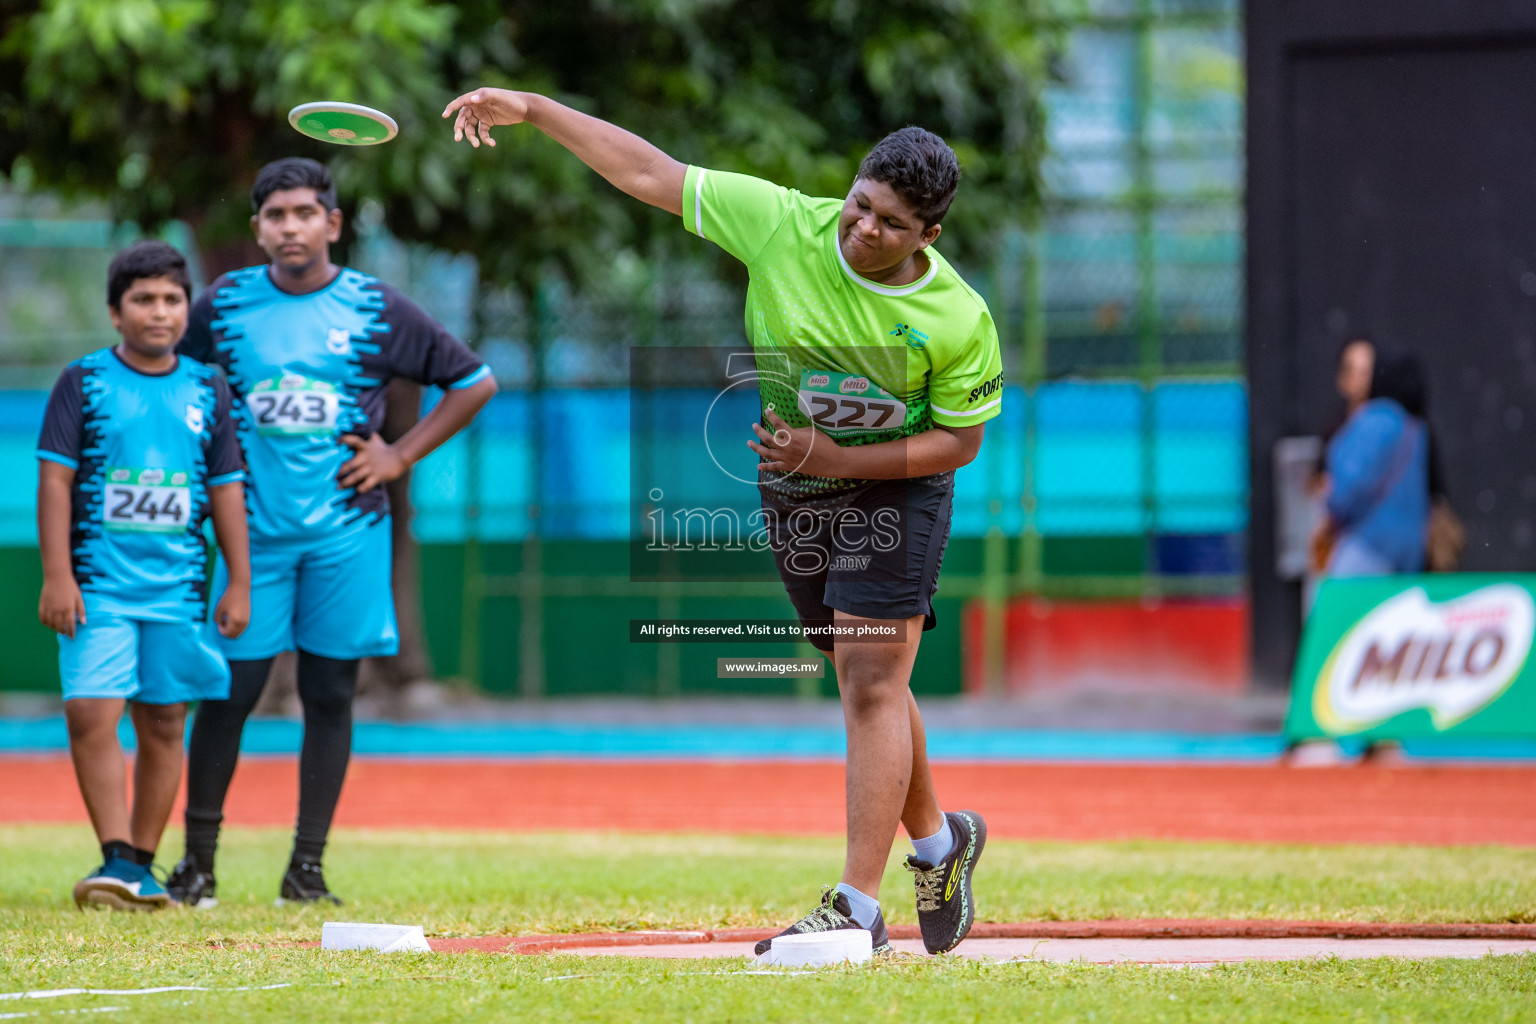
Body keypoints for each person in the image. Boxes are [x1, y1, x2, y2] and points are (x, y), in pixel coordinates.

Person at [443, 90, 998, 956]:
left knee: (873, 680)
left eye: (891, 225)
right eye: (860, 204)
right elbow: (648, 171)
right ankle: (939, 843)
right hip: (794, 481)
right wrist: (534, 109)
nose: (863, 230)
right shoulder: (783, 223)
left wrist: (840, 459)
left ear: (929, 235)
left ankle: (856, 905)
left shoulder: (958, 318)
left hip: (894, 484)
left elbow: (958, 441)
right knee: (862, 675)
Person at [167, 158, 497, 907]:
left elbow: (475, 382)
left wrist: (399, 455)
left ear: (333, 224)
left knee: (329, 693)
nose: (291, 227)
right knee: (229, 690)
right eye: (276, 215)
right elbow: (170, 380)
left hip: (348, 536)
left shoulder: (379, 308)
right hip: (253, 539)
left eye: (305, 213)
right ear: (256, 228)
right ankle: (196, 868)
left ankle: (305, 871)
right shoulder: (221, 307)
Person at [36, 240, 250, 911]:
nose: (160, 312)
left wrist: (239, 580)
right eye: (144, 299)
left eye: (171, 299)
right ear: (115, 311)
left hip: (178, 591)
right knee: (91, 712)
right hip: (98, 586)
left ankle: (139, 867)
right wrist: (56, 575)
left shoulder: (207, 387)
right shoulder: (83, 381)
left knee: (162, 720)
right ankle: (112, 854)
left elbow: (226, 490)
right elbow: (55, 480)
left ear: (187, 309)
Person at [1318, 345, 1431, 580]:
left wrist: (1330, 501)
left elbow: (1349, 487)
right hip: (1411, 551)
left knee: (1339, 612)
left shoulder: (1375, 420)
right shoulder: (1415, 428)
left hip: (1369, 547)